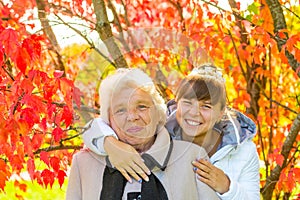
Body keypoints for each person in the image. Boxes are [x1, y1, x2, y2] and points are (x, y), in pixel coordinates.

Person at [83, 64, 260, 199]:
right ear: (177, 103)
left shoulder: (242, 151)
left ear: (221, 112)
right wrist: (110, 144)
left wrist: (227, 187)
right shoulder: (162, 130)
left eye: (206, 106)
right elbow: (93, 127)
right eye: (187, 103)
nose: (194, 113)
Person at [66, 68, 219, 200]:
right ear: (108, 119)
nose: (132, 116)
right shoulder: (83, 163)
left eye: (141, 106)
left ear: (158, 113)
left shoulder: (191, 157)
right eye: (120, 110)